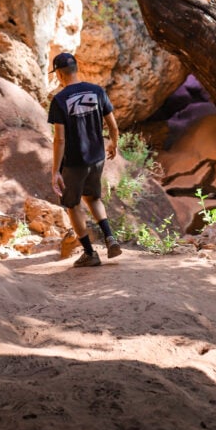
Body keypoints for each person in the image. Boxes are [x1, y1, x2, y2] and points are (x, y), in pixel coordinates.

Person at [47, 51, 122, 268]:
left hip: (74, 161)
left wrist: (56, 171)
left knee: (72, 205)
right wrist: (114, 143)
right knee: (93, 198)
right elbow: (113, 125)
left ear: (59, 74)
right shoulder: (97, 91)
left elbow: (60, 139)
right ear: (76, 68)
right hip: (97, 158)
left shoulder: (59, 100)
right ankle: (110, 238)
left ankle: (90, 253)